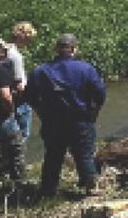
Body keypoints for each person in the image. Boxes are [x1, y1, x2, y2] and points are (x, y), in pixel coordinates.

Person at [25, 34, 106, 197]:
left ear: (57, 49)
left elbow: (29, 96)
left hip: (52, 120)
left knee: (53, 155)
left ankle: (48, 190)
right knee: (84, 153)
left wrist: (41, 113)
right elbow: (100, 94)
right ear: (74, 49)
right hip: (79, 119)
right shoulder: (86, 68)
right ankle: (91, 187)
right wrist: (94, 113)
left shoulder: (40, 70)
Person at [0, 40, 25, 186]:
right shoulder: (0, 69)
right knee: (16, 151)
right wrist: (11, 110)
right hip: (2, 118)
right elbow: (5, 96)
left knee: (4, 151)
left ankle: (2, 177)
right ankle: (18, 186)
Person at [6, 22, 37, 144]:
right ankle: (18, 162)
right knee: (22, 135)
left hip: (8, 99)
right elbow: (19, 85)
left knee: (9, 137)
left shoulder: (5, 50)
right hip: (20, 101)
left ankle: (7, 161)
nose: (29, 42)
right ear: (22, 37)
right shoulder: (16, 56)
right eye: (29, 39)